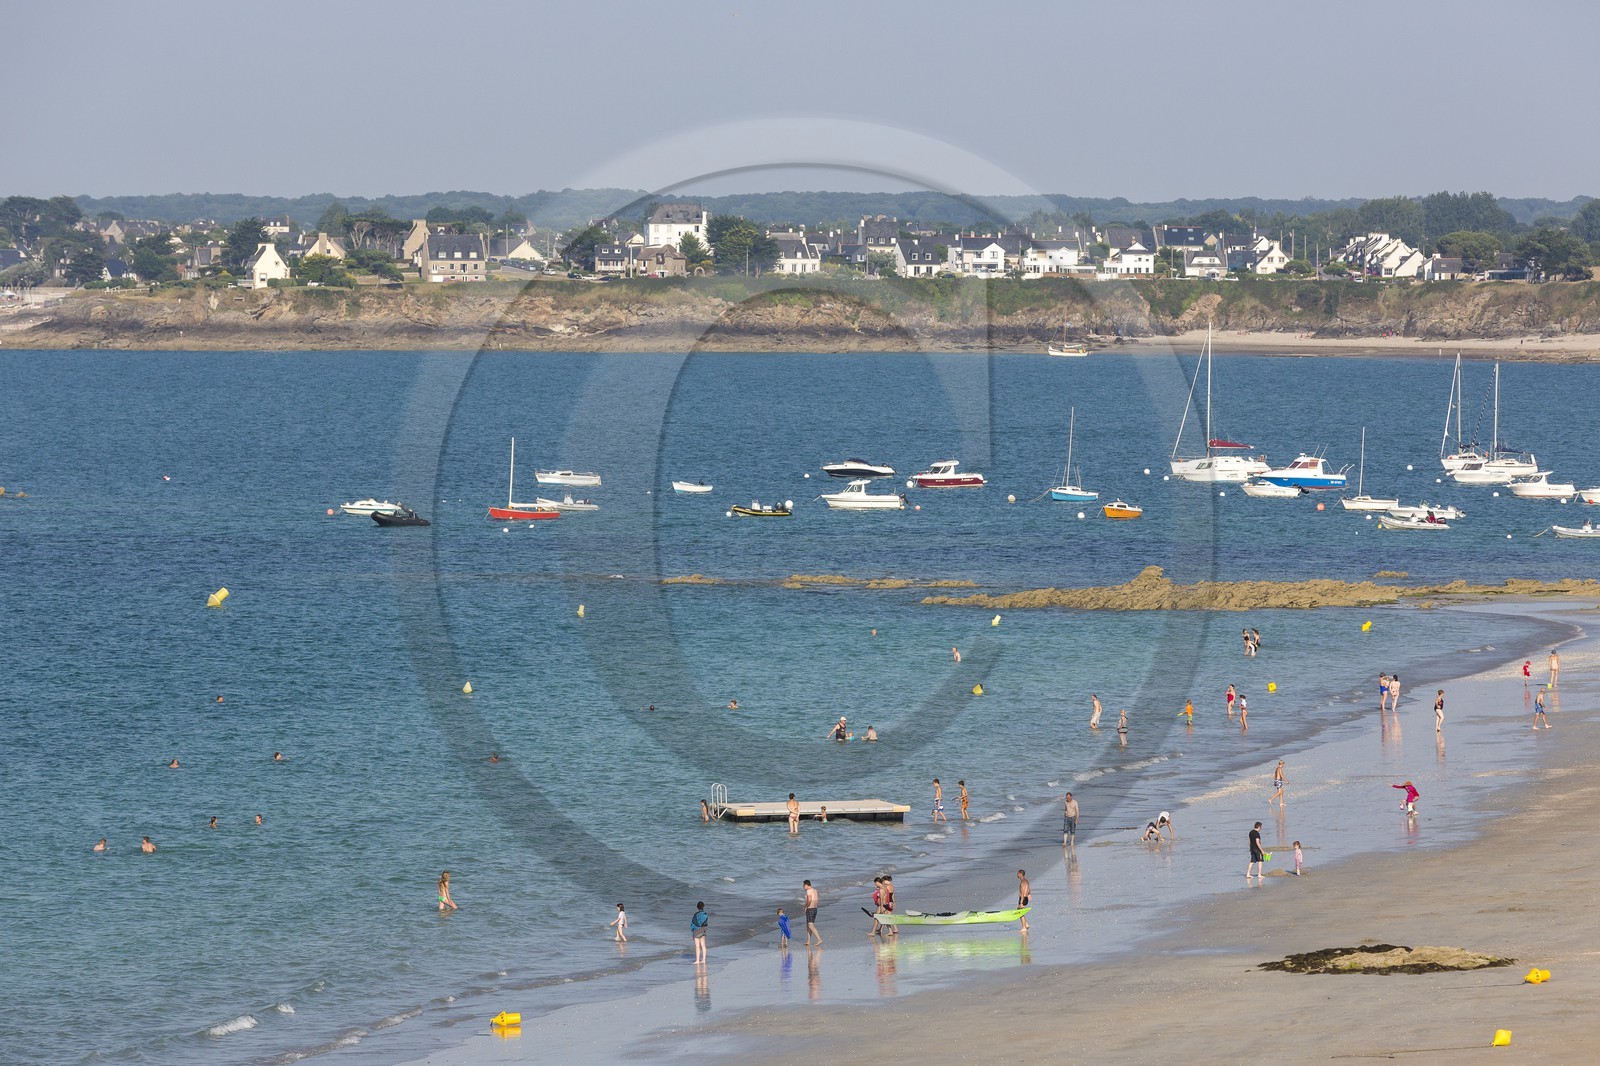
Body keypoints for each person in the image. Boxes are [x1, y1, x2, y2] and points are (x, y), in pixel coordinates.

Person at [804, 879, 822, 947]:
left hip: (810, 909)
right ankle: (808, 941)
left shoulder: (809, 890)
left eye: (804, 886)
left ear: (806, 885)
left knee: (810, 925)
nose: (803, 887)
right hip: (815, 909)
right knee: (808, 925)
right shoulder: (815, 890)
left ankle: (819, 939)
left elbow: (809, 900)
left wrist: (806, 906)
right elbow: (816, 900)